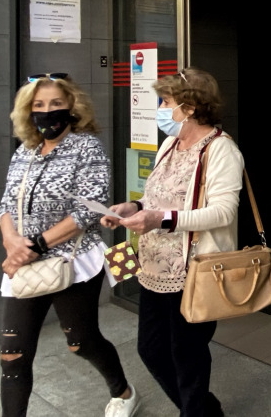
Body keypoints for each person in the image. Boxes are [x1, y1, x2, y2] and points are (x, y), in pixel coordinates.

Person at [101, 67, 243, 417]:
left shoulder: (221, 150)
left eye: (166, 102)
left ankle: (196, 412)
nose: (161, 109)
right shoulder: (169, 144)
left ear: (190, 107)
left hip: (193, 270)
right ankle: (206, 411)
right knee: (151, 349)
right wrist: (133, 208)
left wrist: (161, 219)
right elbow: (156, 198)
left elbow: (223, 212)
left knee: (187, 354)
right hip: (153, 267)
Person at [0, 73, 137, 417]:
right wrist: (11, 241)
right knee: (12, 354)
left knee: (81, 342)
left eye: (56, 103)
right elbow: (6, 204)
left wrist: (34, 246)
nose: (47, 112)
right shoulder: (25, 151)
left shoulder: (86, 147)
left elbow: (90, 206)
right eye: (39, 105)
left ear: (72, 106)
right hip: (23, 264)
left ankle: (123, 392)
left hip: (74, 261)